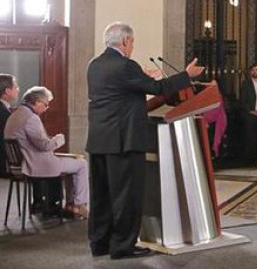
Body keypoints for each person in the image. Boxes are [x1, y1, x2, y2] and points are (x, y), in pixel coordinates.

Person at [86, 22, 202, 260]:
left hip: (99, 140)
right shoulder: (126, 65)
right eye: (133, 42)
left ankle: (100, 243)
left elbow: (120, 90)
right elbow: (158, 87)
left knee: (102, 195)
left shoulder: (95, 65)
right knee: (126, 196)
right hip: (123, 140)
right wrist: (186, 75)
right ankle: (122, 246)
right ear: (125, 41)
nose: (133, 46)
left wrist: (141, 77)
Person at [4, 86, 89, 218]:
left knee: (73, 164)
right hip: (36, 165)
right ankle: (78, 205)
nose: (46, 108)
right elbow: (44, 145)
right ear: (37, 102)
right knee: (82, 164)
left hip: (19, 165)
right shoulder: (31, 117)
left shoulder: (16, 114)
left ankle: (71, 205)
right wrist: (59, 139)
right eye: (46, 104)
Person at [0, 73, 20, 177]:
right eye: (16, 87)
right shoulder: (2, 111)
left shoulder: (5, 109)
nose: (18, 90)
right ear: (7, 91)